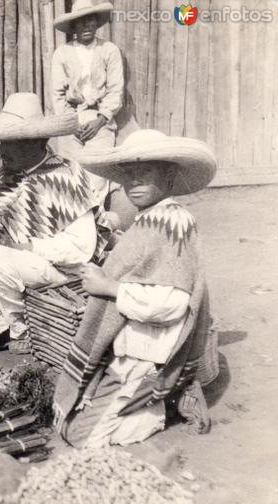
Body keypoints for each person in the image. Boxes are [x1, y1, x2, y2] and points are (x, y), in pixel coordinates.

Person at [53, 129, 216, 448]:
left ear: (169, 175)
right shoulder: (147, 221)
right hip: (127, 346)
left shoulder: (173, 223)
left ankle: (164, 403)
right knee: (71, 416)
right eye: (128, 173)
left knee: (81, 437)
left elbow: (172, 304)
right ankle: (148, 402)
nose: (135, 181)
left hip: (148, 353)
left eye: (146, 171)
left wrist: (110, 287)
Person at [0, 92, 99, 351]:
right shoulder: (4, 179)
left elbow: (82, 248)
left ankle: (23, 329)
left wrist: (27, 247)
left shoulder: (66, 176)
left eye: (11, 142)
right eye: (0, 142)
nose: (1, 151)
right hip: (13, 266)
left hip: (61, 271)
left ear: (37, 141)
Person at [51, 0, 130, 218]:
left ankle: (98, 226)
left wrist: (101, 120)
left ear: (97, 23)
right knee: (70, 173)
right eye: (80, 21)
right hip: (71, 120)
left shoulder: (109, 50)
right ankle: (73, 225)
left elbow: (116, 91)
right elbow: (57, 95)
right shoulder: (62, 54)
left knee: (97, 174)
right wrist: (71, 123)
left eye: (90, 20)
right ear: (73, 26)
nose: (86, 25)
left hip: (100, 119)